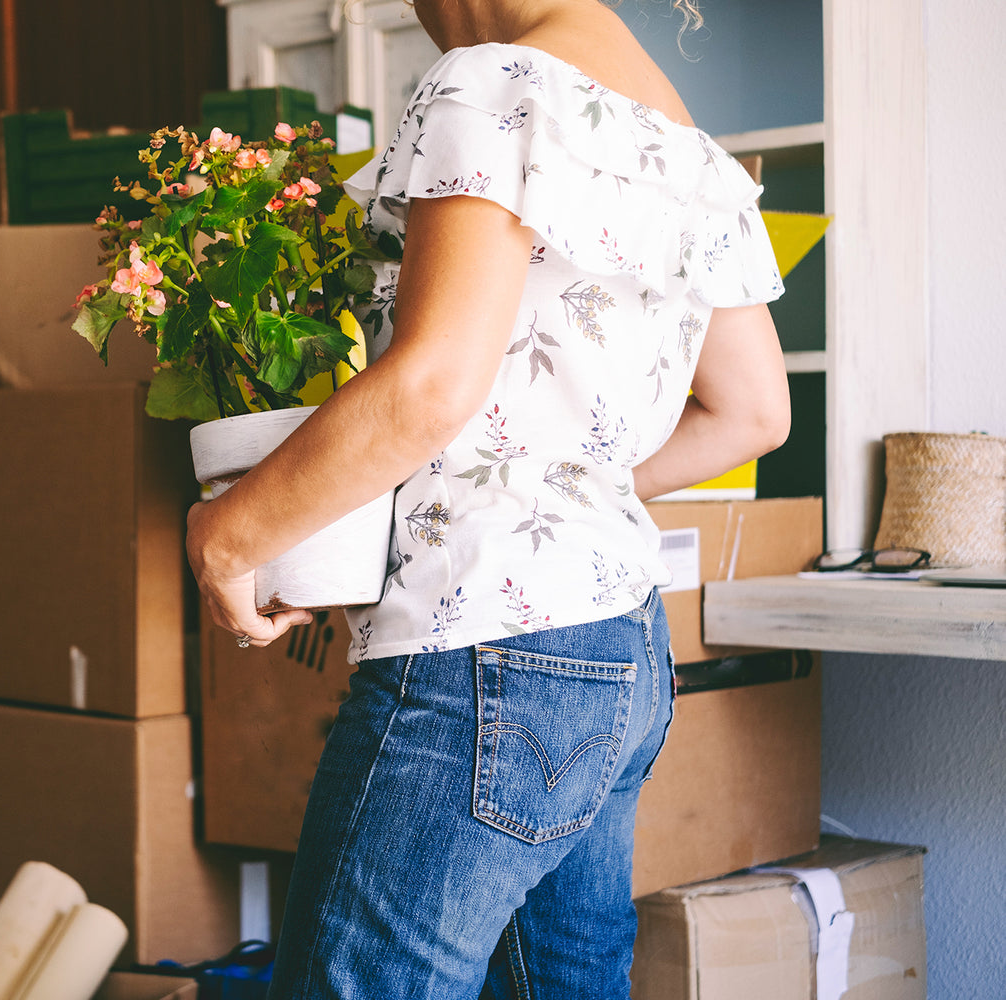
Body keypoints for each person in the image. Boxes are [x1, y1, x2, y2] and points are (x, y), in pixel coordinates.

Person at [185, 0, 791, 996]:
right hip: (620, 646)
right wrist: (544, 484)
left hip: (483, 655)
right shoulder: (686, 142)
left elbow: (430, 384)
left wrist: (230, 528)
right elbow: (754, 413)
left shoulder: (495, 80)